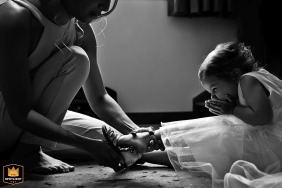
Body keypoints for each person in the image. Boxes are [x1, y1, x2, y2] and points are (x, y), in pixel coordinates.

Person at [0, 0, 160, 174]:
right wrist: (87, 144)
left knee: (120, 142)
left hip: (26, 121)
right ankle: (28, 152)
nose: (105, 7)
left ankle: (27, 148)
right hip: (10, 118)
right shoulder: (15, 16)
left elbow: (100, 98)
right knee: (77, 58)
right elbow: (20, 113)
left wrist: (137, 133)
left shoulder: (80, 27)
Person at [106, 42, 282, 187]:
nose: (213, 96)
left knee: (214, 142)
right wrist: (229, 110)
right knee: (210, 132)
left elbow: (262, 117)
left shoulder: (248, 80)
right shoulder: (256, 77)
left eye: (214, 89)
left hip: (273, 145)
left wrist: (231, 110)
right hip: (271, 139)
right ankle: (141, 148)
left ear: (235, 74)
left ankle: (143, 145)